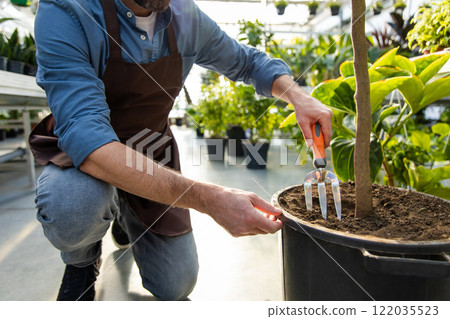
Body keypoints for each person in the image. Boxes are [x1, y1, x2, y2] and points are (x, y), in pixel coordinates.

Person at [30, 0, 333, 301]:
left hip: (150, 149)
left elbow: (247, 62)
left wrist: (297, 95)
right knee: (72, 207)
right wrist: (210, 199)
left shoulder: (184, 16)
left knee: (176, 284)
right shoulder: (68, 10)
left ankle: (123, 216)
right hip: (85, 155)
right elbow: (89, 140)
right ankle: (82, 261)